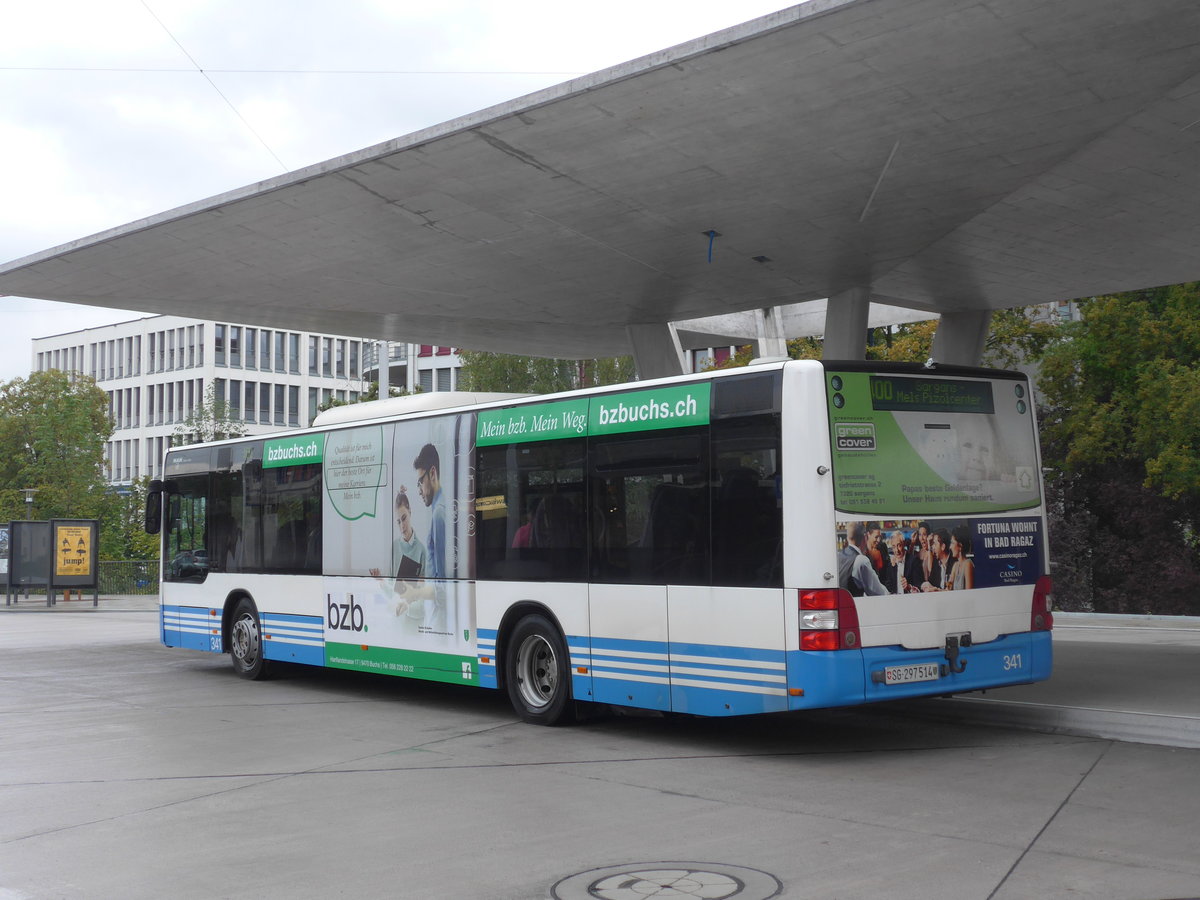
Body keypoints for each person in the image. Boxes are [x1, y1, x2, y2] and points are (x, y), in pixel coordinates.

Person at [369, 490, 427, 618]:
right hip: (397, 619)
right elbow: (392, 593)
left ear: (410, 512)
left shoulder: (421, 550)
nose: (402, 526)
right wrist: (381, 581)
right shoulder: (394, 547)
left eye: (404, 518)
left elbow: (424, 598)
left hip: (415, 622)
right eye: (398, 522)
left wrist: (407, 605)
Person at [837, 522, 889, 596]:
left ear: (848, 537)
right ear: (865, 537)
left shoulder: (839, 555)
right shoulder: (861, 560)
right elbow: (877, 591)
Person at [948, 525, 975, 590]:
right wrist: (934, 589)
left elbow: (969, 592)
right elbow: (948, 588)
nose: (950, 547)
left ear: (960, 546)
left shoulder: (968, 564)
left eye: (952, 543)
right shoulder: (955, 565)